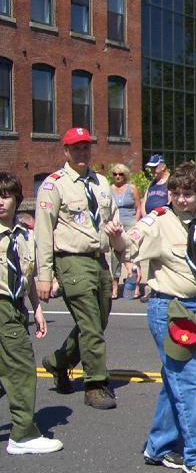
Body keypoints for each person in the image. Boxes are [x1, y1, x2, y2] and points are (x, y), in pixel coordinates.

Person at [105, 163, 196, 473]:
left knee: (174, 379)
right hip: (168, 309)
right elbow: (129, 247)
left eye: (188, 194)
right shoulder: (158, 221)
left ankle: (158, 446)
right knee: (189, 382)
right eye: (175, 193)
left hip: (194, 308)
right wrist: (118, 239)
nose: (181, 199)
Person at [34, 127, 117, 409]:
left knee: (98, 322)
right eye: (76, 147)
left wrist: (124, 263)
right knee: (91, 325)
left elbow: (113, 226)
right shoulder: (53, 185)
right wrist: (44, 276)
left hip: (100, 260)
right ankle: (95, 384)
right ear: (66, 151)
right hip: (71, 261)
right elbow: (43, 233)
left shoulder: (102, 183)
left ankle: (59, 362)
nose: (82, 152)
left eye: (86, 147)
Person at [0, 172, 63, 454]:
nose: (0, 202)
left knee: (4, 370)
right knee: (23, 369)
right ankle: (23, 434)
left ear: (17, 199)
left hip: (16, 306)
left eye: (5, 196)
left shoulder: (25, 236)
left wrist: (36, 308)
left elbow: (28, 276)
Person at [109, 163, 143, 299]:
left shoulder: (131, 188)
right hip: (116, 225)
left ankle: (135, 288)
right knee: (115, 256)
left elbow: (138, 206)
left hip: (130, 224)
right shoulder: (108, 189)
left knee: (132, 255)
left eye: (121, 174)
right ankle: (115, 288)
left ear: (125, 175)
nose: (118, 176)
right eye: (115, 174)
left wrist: (136, 223)